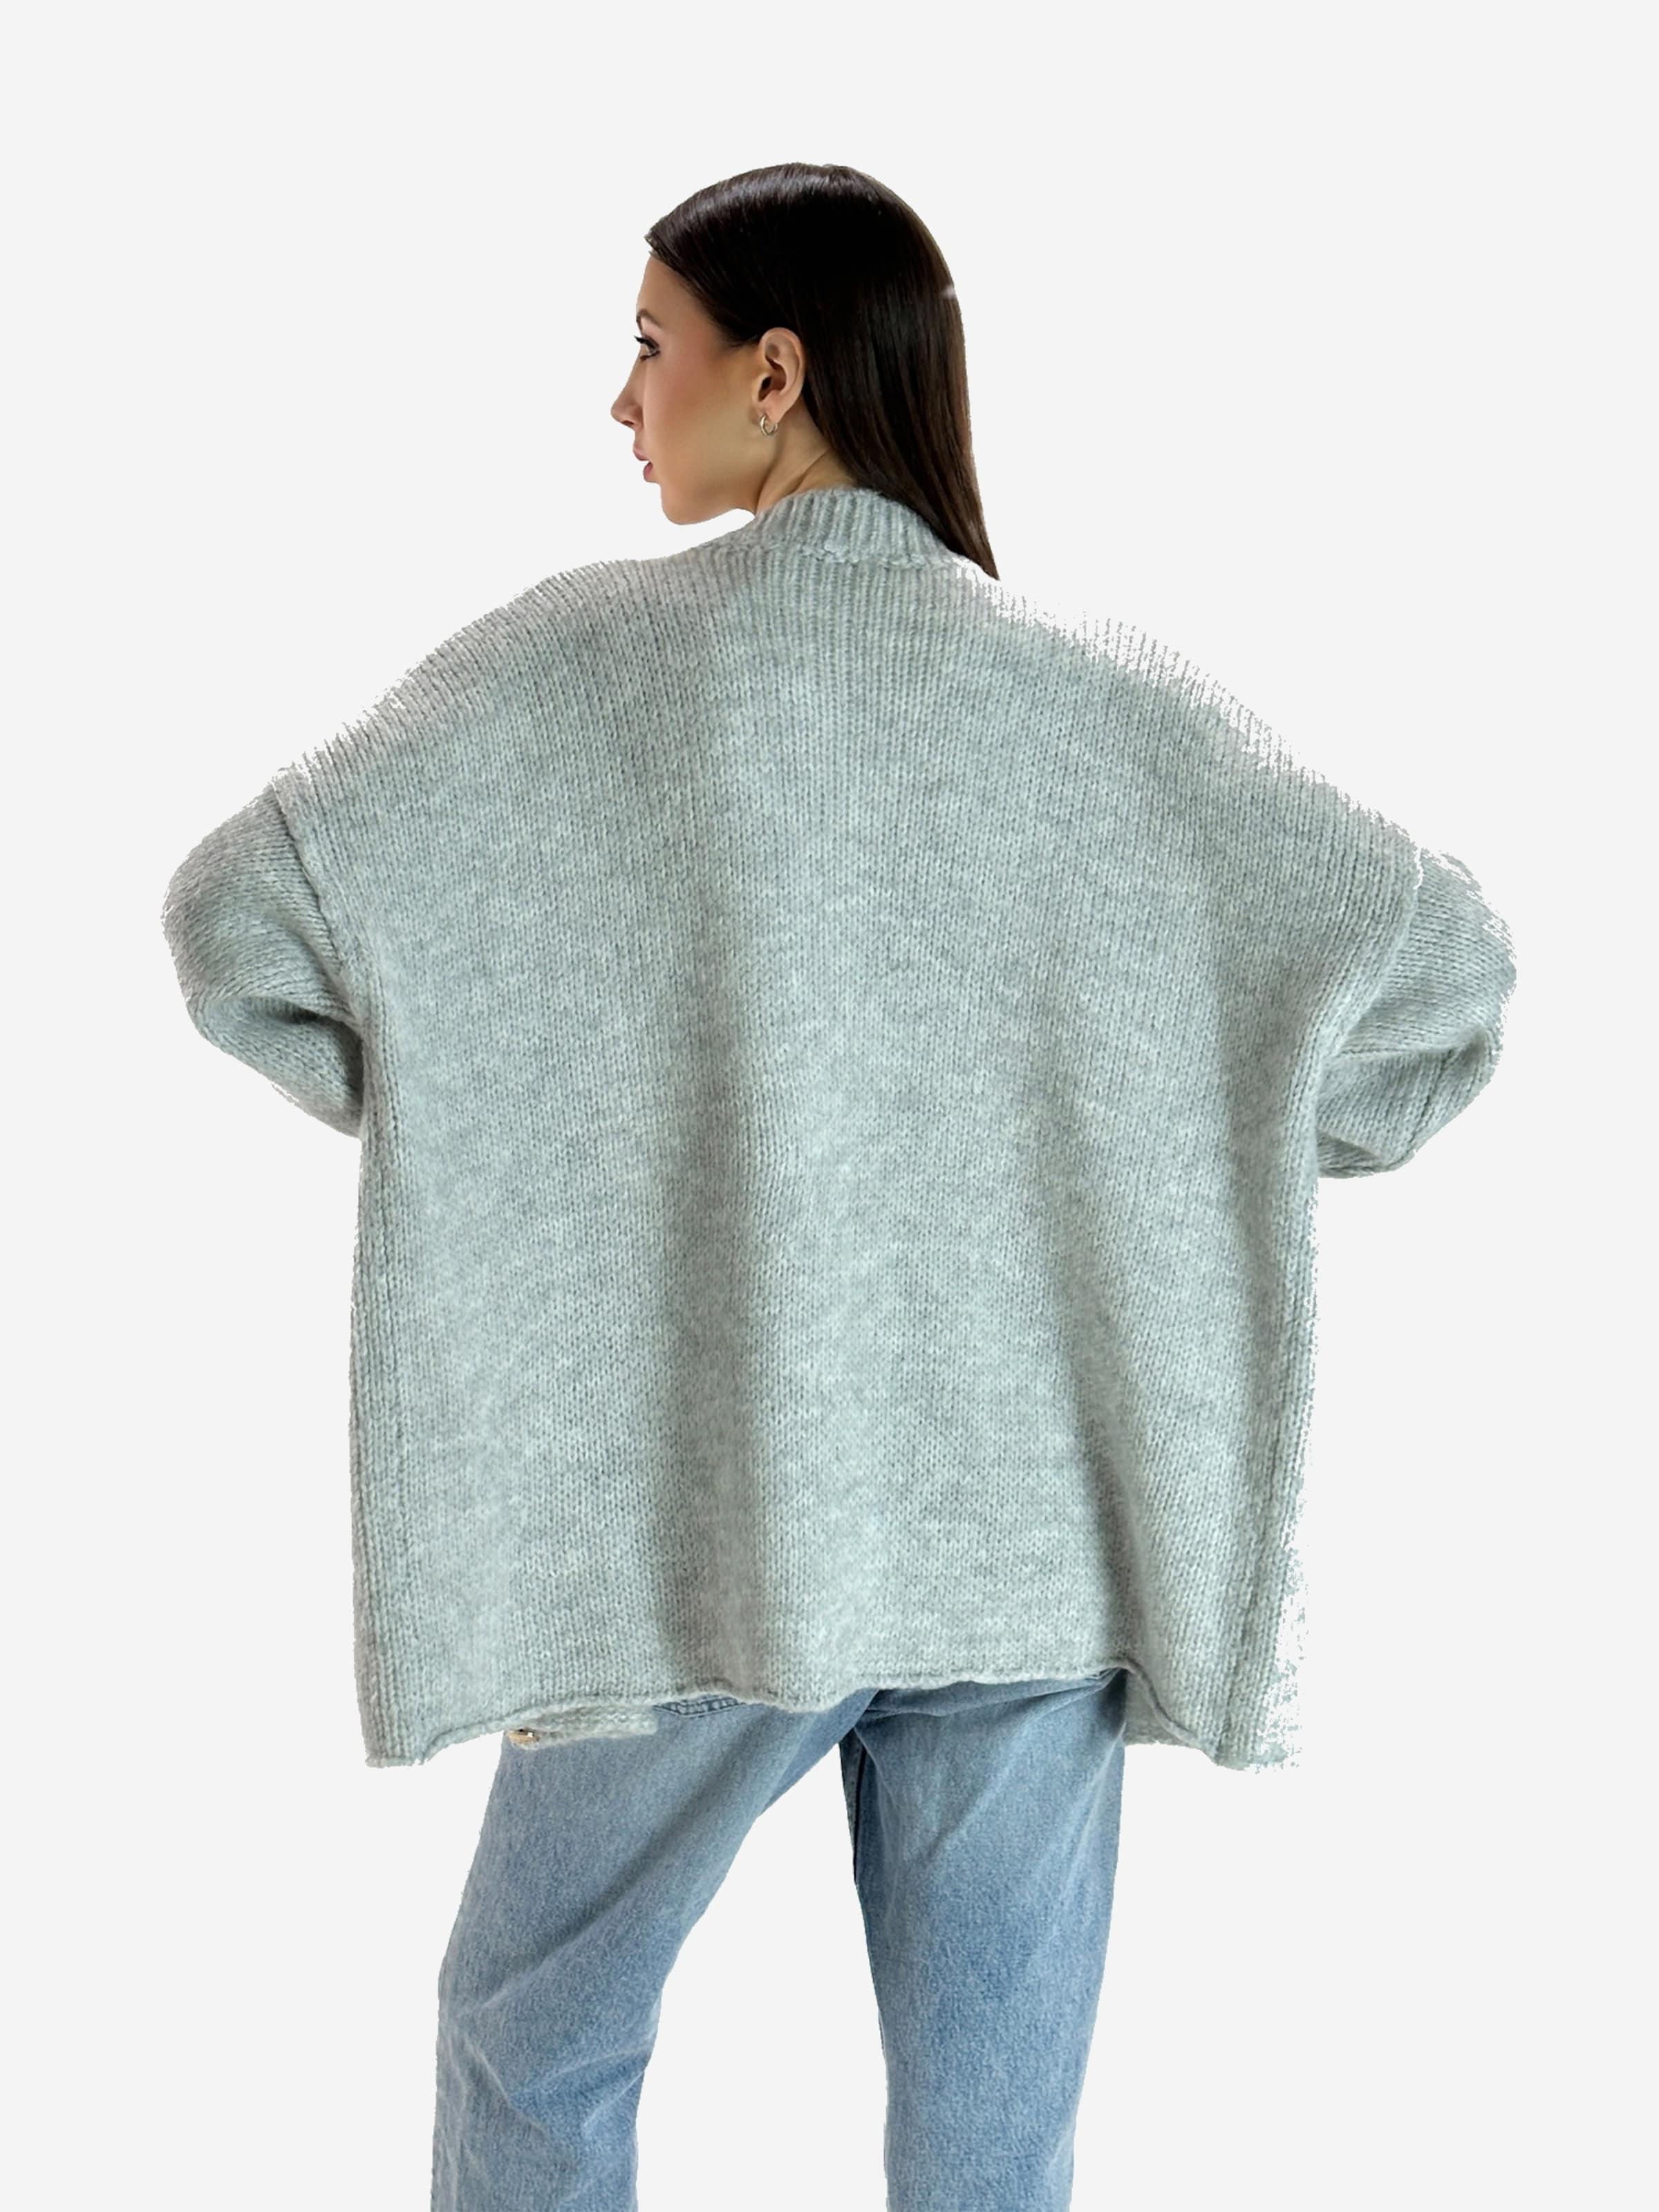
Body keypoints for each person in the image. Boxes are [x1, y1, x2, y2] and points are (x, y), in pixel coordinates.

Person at [159, 162, 1517, 2211]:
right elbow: (1441, 991)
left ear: (774, 373)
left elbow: (238, 926)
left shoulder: (574, 675)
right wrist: (1168, 1130)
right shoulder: (1116, 704)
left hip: (694, 1543)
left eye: (651, 344)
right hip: (1036, 1556)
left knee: (533, 2037)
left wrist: (523, 1125)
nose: (622, 400)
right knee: (993, 2149)